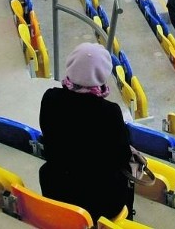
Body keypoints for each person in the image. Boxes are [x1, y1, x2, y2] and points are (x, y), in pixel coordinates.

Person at [39, 42, 133, 221]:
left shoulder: (50, 98)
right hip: (100, 201)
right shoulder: (110, 112)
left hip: (56, 188)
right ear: (103, 75)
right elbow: (122, 157)